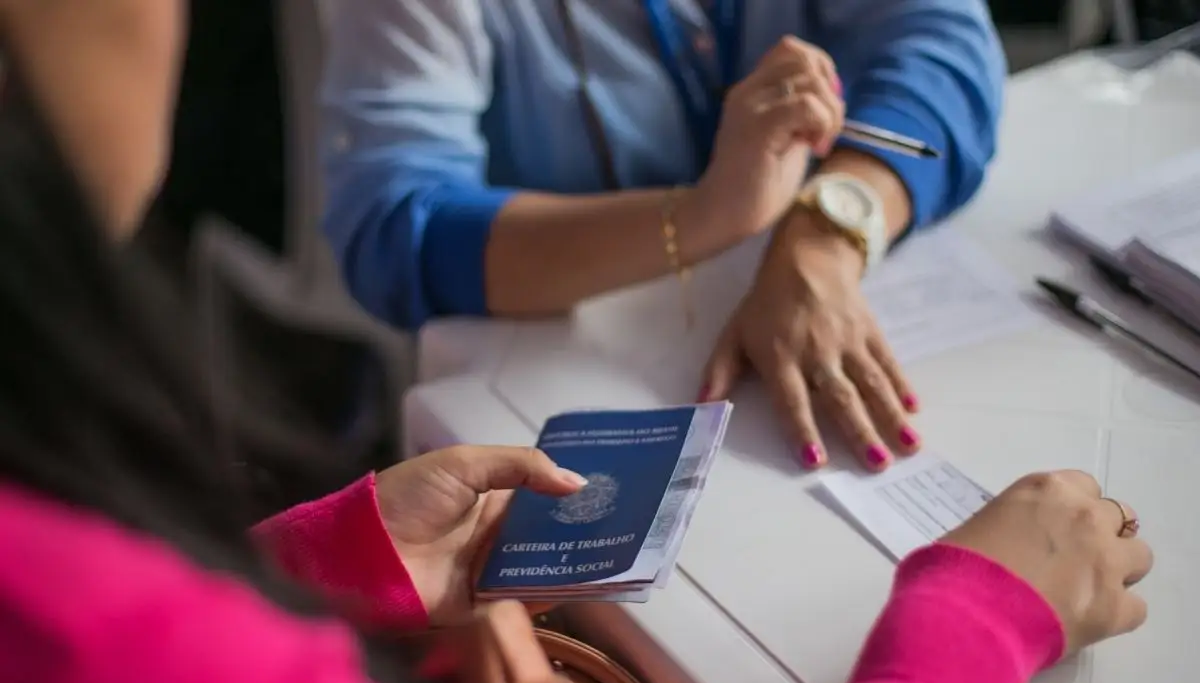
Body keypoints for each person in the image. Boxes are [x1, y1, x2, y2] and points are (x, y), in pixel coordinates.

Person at [0, 2, 1153, 683]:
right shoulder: (116, 672)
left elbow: (939, 36)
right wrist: (971, 625)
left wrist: (323, 558)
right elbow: (395, 224)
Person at [321, 0, 1006, 473]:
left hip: (775, 312)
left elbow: (942, 38)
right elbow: (394, 231)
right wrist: (703, 216)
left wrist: (826, 232)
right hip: (562, 372)